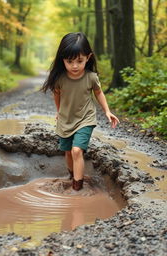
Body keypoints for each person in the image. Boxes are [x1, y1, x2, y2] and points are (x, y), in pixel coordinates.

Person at [41, 32, 119, 191]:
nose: (75, 66)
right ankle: (72, 176)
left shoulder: (91, 77)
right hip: (66, 119)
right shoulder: (60, 78)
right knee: (68, 152)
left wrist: (107, 111)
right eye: (70, 61)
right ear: (62, 59)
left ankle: (78, 186)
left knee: (77, 151)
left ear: (88, 57)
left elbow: (98, 93)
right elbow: (57, 96)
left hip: (86, 119)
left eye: (80, 61)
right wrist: (59, 112)